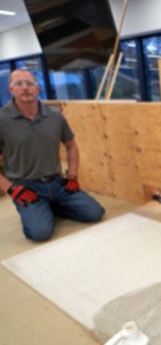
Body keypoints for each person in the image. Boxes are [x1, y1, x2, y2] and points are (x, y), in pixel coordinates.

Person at [0, 69, 105, 241]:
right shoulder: (2, 120)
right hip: (26, 187)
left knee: (95, 213)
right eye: (18, 84)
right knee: (40, 233)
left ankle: (49, 207)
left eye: (30, 83)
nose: (25, 88)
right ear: (11, 90)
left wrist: (72, 175)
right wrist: (11, 189)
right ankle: (38, 208)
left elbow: (71, 146)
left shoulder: (55, 116)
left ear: (37, 89)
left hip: (57, 183)